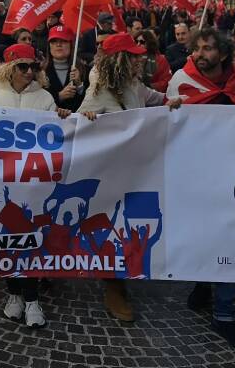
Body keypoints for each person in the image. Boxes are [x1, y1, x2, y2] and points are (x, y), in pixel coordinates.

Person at [167, 28, 235, 352]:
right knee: (204, 236)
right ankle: (202, 282)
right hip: (197, 175)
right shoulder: (181, 82)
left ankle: (224, 314)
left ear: (222, 54)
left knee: (231, 240)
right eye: (197, 48)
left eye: (208, 48)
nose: (200, 53)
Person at [73, 32, 182, 325]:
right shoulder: (98, 93)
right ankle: (114, 285)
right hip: (110, 173)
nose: (140, 59)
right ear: (120, 60)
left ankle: (126, 273)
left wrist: (176, 103)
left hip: (138, 169)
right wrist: (89, 121)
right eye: (134, 55)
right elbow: (80, 127)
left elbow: (158, 100)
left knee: (135, 224)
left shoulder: (135, 85)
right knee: (112, 225)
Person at [0, 43, 62, 328]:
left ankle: (33, 298)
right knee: (9, 238)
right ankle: (13, 293)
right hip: (1, 180)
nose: (29, 72)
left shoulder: (45, 97)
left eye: (34, 66)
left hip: (32, 180)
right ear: (10, 68)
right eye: (23, 66)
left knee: (32, 237)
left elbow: (55, 134)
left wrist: (63, 117)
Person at [44, 26, 87, 113]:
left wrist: (79, 86)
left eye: (63, 41)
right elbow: (38, 102)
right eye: (54, 41)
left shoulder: (84, 70)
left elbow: (90, 102)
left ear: (71, 44)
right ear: (49, 45)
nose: (58, 45)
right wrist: (59, 96)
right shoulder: (40, 71)